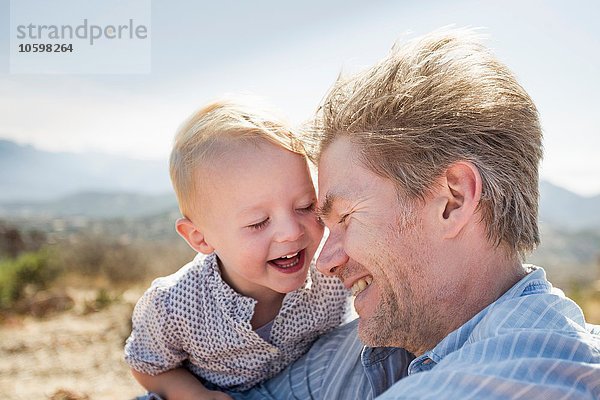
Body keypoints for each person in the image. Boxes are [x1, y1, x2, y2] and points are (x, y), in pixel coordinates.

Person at [228, 28, 600, 399]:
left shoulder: (539, 381)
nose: (324, 261)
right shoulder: (344, 359)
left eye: (345, 218)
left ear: (452, 200)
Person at [124, 99, 349, 400]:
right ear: (200, 238)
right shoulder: (173, 304)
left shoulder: (332, 272)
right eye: (258, 223)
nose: (292, 232)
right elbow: (148, 366)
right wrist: (197, 396)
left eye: (306, 206)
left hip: (303, 386)